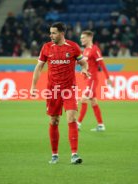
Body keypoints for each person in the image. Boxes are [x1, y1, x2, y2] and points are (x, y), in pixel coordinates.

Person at [30, 22, 90, 164]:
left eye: (54, 33)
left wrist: (84, 69)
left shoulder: (73, 47)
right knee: (54, 120)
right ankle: (54, 155)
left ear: (62, 33)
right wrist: (33, 86)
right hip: (53, 90)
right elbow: (38, 67)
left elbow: (83, 62)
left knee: (72, 119)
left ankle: (74, 154)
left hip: (69, 89)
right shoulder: (46, 47)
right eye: (50, 33)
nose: (51, 35)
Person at [77, 30, 113, 131]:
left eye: (83, 38)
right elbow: (85, 64)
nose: (81, 40)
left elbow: (102, 64)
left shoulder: (95, 49)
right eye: (81, 38)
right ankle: (101, 125)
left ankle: (78, 124)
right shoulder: (85, 50)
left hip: (92, 80)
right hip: (87, 79)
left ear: (89, 38)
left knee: (84, 99)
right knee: (93, 102)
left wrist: (108, 78)